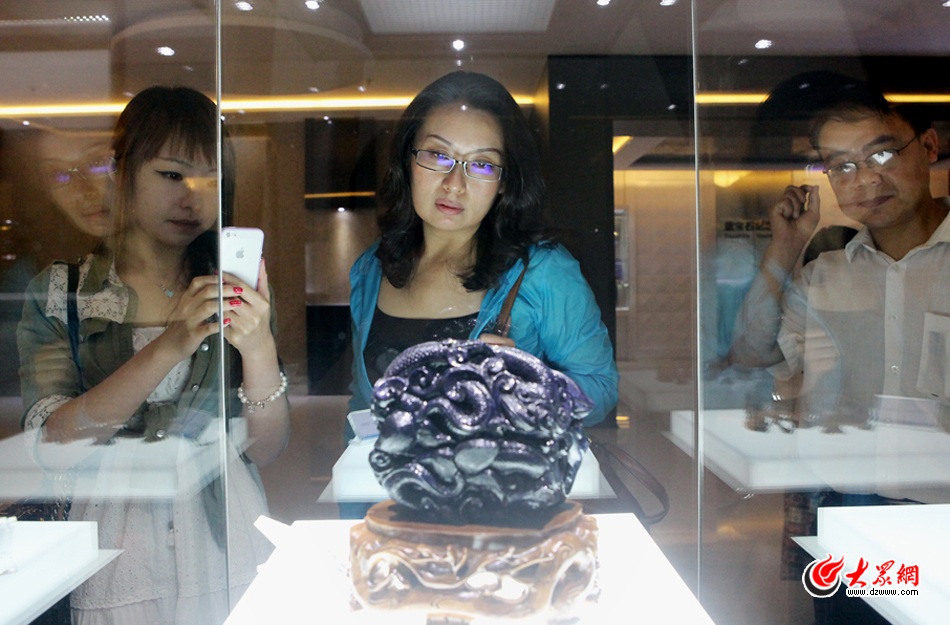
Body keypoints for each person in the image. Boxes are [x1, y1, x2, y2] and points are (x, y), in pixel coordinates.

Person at [17, 86, 290, 624]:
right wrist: (172, 343)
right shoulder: (63, 292)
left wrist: (258, 347)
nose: (192, 198)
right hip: (115, 552)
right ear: (123, 174)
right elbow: (53, 445)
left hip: (226, 538)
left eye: (209, 180)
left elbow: (266, 448)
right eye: (171, 175)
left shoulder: (234, 286)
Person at [729, 76, 949, 624]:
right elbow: (752, 353)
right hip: (855, 505)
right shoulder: (825, 276)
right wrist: (785, 247)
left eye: (881, 154)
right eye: (841, 165)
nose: (865, 179)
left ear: (928, 146)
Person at [348, 71, 618, 429]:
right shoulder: (371, 267)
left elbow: (601, 387)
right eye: (437, 155)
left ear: (505, 182)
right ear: (407, 160)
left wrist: (530, 388)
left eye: (482, 164)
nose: (454, 184)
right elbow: (361, 405)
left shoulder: (543, 270)